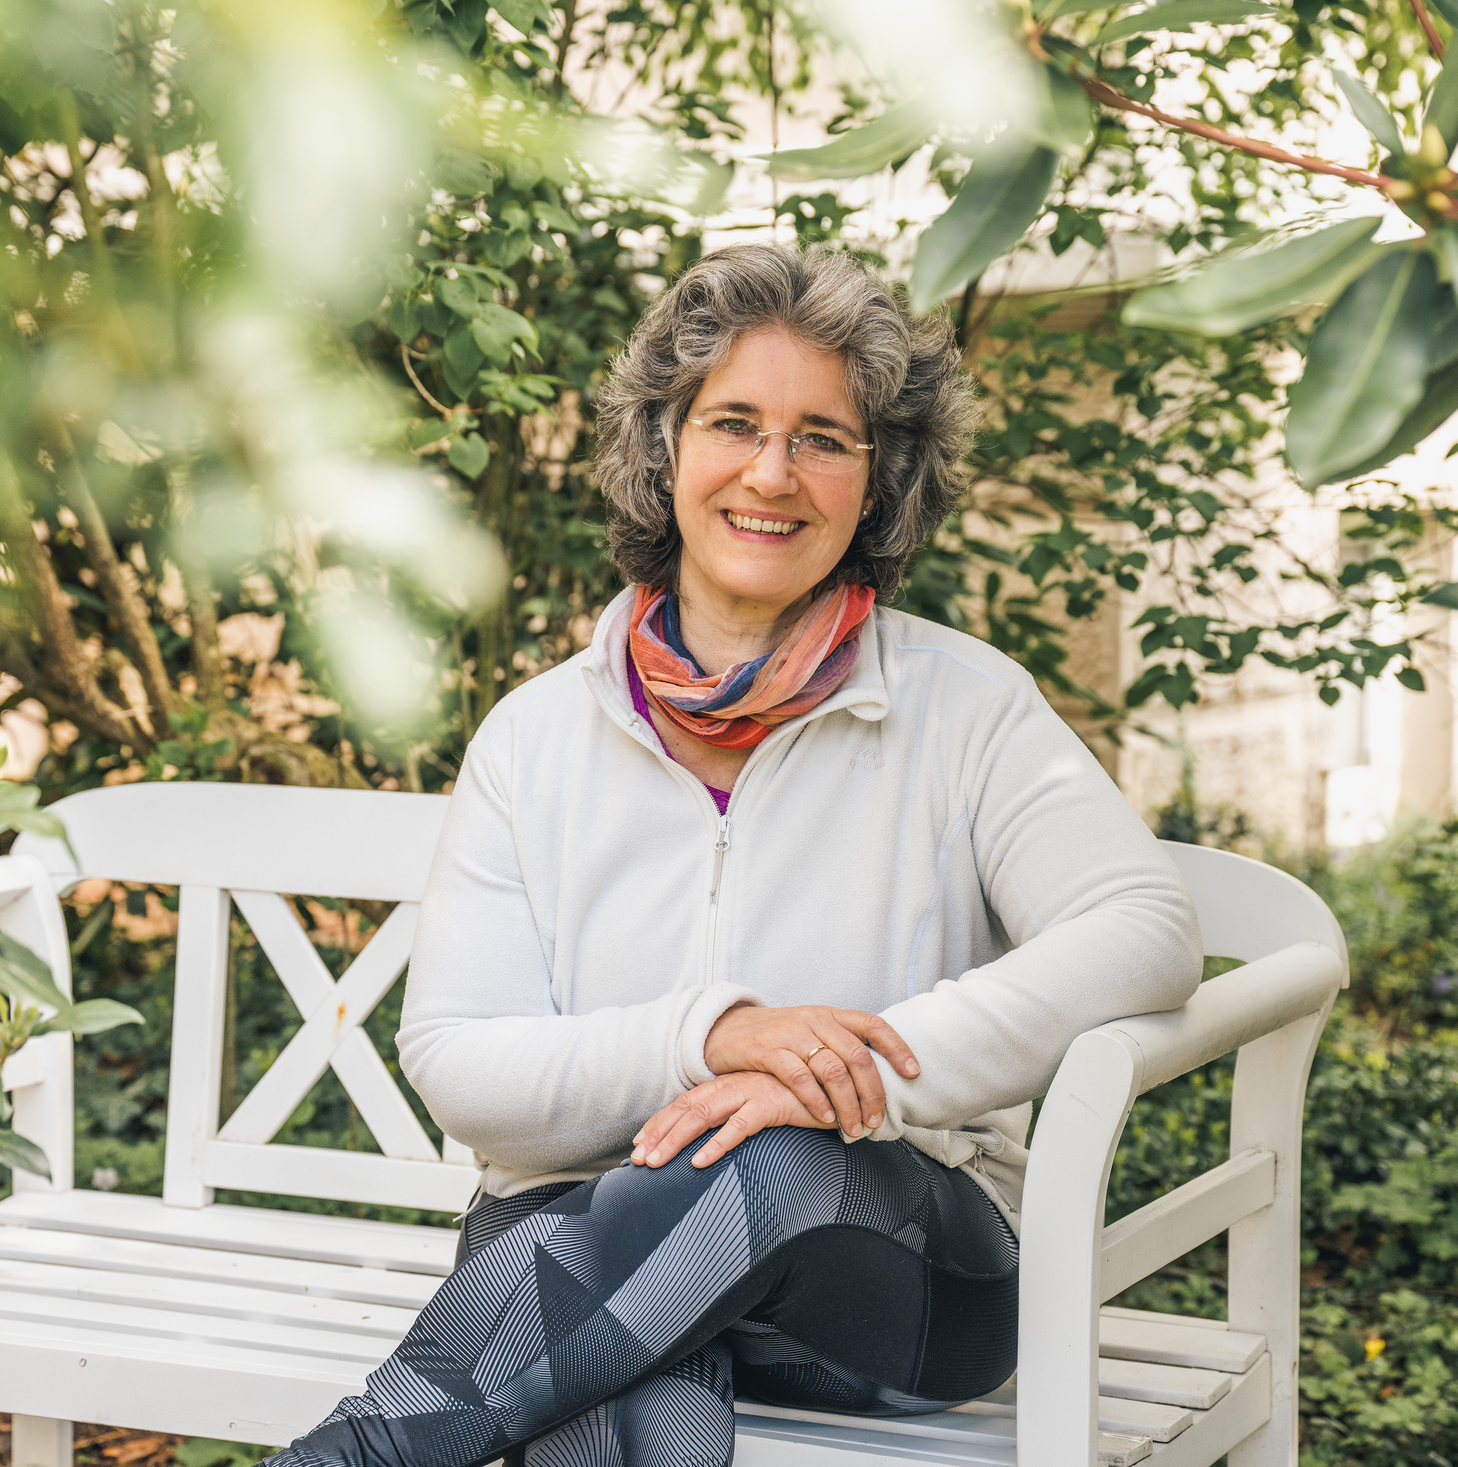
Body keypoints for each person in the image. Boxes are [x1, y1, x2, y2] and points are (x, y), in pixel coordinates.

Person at [264, 244, 1202, 1467]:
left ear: (880, 480)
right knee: (616, 1400)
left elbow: (1144, 928)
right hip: (583, 1245)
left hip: (888, 1277)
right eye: (735, 424)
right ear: (664, 450)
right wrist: (709, 1040)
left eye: (823, 438)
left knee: (772, 1160)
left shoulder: (964, 709)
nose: (772, 473)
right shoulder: (536, 737)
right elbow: (459, 1061)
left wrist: (848, 1080)